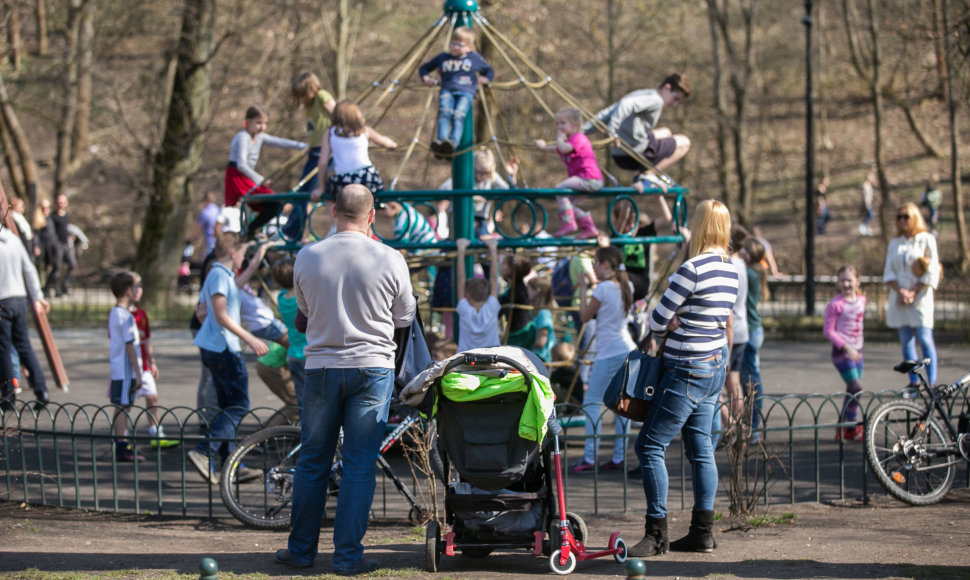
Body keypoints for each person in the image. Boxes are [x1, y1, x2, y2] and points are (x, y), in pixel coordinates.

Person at [276, 184, 415, 574]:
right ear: (372, 215)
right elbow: (404, 317)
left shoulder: (307, 256)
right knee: (358, 465)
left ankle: (301, 551)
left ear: (333, 211)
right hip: (373, 367)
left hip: (320, 366)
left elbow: (303, 314)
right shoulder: (390, 259)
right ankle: (348, 557)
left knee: (312, 461)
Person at [632, 199, 737, 557]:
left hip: (685, 368)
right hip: (713, 366)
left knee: (648, 445)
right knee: (701, 449)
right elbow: (719, 318)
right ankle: (702, 532)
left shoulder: (691, 269)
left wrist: (673, 321)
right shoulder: (731, 270)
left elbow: (657, 320)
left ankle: (656, 533)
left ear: (699, 227)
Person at [187, 232, 269, 485]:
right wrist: (251, 338)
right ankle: (204, 452)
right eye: (242, 253)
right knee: (239, 406)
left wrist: (260, 253)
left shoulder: (218, 275)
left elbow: (207, 308)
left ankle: (232, 465)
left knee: (227, 407)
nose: (244, 258)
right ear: (233, 253)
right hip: (224, 349)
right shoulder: (219, 276)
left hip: (215, 347)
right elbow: (221, 315)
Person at [571, 246, 637, 474]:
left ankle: (589, 457)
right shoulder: (626, 285)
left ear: (607, 264)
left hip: (609, 352)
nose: (594, 267)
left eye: (597, 262)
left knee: (591, 403)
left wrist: (582, 289)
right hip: (627, 348)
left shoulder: (603, 289)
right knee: (622, 404)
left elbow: (584, 316)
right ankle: (618, 457)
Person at [583, 73, 692, 179]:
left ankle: (648, 174)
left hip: (618, 154)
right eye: (675, 98)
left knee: (665, 131)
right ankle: (648, 176)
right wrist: (611, 131)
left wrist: (581, 131)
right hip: (633, 154)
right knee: (685, 142)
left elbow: (607, 113)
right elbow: (625, 105)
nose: (675, 104)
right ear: (667, 87)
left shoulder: (644, 94)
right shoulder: (656, 100)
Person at [0, 188, 51, 410]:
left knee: (3, 349)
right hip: (19, 299)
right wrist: (37, 296)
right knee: (24, 346)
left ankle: (8, 396)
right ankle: (41, 389)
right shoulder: (12, 239)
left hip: (1, 301)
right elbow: (29, 269)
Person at [223, 104, 307, 237]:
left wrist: (305, 147)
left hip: (247, 176)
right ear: (248, 121)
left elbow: (280, 142)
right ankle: (249, 230)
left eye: (265, 124)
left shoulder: (259, 137)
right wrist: (261, 180)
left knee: (275, 204)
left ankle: (250, 230)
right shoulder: (243, 137)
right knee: (273, 202)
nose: (262, 127)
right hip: (238, 177)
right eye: (258, 123)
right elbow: (241, 165)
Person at [883, 202, 940, 392]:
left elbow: (932, 270)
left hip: (920, 296)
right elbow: (889, 271)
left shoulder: (926, 239)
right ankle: (914, 381)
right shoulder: (895, 242)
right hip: (900, 296)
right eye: (899, 217)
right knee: (906, 341)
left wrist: (915, 291)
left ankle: (930, 382)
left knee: (924, 339)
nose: (902, 221)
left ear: (914, 217)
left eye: (906, 217)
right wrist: (900, 291)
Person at [419, 26, 494, 156]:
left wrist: (485, 79)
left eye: (460, 45)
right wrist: (426, 79)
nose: (455, 47)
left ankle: (453, 142)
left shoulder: (473, 58)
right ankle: (441, 141)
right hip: (447, 90)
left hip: (466, 91)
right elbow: (424, 68)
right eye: (453, 43)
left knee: (458, 114)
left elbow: (489, 70)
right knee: (444, 113)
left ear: (469, 47)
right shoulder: (443, 57)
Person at [309, 100, 397, 203]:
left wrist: (322, 188)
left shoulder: (330, 133)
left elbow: (323, 162)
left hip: (342, 179)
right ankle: (372, 214)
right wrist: (393, 145)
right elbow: (386, 142)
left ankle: (335, 219)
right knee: (370, 201)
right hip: (366, 176)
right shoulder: (364, 130)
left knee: (331, 198)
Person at [535, 108, 604, 238]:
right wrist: (543, 147)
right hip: (586, 180)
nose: (559, 127)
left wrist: (559, 139)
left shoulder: (579, 138)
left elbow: (564, 148)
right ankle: (590, 228)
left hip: (588, 178)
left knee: (560, 190)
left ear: (575, 124)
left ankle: (569, 225)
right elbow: (556, 149)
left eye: (562, 123)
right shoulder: (570, 141)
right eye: (557, 124)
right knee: (569, 205)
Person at [284, 72, 337, 240]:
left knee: (306, 190)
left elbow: (337, 114)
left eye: (302, 96)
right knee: (302, 191)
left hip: (324, 151)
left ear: (312, 89)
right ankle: (294, 230)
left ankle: (291, 231)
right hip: (314, 151)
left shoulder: (322, 96)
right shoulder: (309, 105)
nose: (300, 101)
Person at [127, 273, 178, 447]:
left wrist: (152, 361)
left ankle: (156, 434)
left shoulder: (141, 314)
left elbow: (146, 340)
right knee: (126, 403)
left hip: (144, 365)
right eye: (135, 287)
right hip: (128, 366)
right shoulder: (121, 315)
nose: (138, 290)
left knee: (152, 397)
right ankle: (122, 437)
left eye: (140, 286)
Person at [106, 272, 146, 461]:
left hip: (119, 368)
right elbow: (130, 346)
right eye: (137, 287)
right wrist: (138, 374)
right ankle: (121, 445)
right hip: (125, 370)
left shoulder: (115, 313)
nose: (139, 290)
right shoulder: (126, 317)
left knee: (124, 405)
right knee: (123, 406)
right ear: (129, 291)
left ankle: (122, 441)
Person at [824, 265, 866, 442]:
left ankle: (844, 429)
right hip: (842, 353)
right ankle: (851, 424)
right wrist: (846, 346)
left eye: (849, 280)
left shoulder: (861, 300)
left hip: (858, 353)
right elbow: (828, 331)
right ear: (837, 282)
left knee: (852, 391)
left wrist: (856, 347)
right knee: (857, 387)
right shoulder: (836, 305)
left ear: (857, 281)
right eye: (842, 280)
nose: (846, 284)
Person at [717, 224, 749, 447]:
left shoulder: (728, 265)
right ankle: (738, 425)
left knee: (719, 386)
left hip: (731, 328)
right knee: (734, 382)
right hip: (741, 326)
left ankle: (733, 425)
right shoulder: (741, 264)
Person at [740, 236, 767, 444]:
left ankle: (754, 425)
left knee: (751, 380)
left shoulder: (747, 273)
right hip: (754, 329)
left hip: (749, 331)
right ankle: (750, 423)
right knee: (748, 376)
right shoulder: (756, 272)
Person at [272, 257, 307, 413]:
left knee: (302, 400)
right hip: (308, 353)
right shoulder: (301, 299)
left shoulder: (282, 299)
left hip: (293, 354)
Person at [454, 237, 500, 352]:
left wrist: (461, 250)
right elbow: (494, 278)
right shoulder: (491, 307)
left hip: (467, 360)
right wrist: (493, 249)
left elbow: (460, 279)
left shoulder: (465, 309)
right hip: (492, 357)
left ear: (467, 295)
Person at [499, 252, 535, 348]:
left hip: (520, 332)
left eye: (503, 263)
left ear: (511, 269)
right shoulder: (514, 286)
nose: (500, 266)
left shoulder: (516, 290)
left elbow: (500, 306)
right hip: (521, 328)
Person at [45, 194, 76, 297]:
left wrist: (70, 236)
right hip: (58, 245)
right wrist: (55, 245)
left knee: (73, 264)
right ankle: (53, 288)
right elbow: (51, 232)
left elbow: (65, 228)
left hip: (67, 244)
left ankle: (65, 283)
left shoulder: (66, 215)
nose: (60, 204)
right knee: (57, 267)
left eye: (62, 202)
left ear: (66, 203)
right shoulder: (52, 216)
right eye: (59, 202)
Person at [526, 276, 558, 363]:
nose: (526, 292)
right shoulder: (534, 311)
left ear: (537, 291)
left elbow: (541, 341)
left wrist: (521, 344)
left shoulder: (543, 313)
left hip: (541, 358)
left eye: (528, 289)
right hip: (535, 355)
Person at [858, 171, 876, 237]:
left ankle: (865, 227)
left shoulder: (869, 185)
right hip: (867, 203)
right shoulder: (866, 185)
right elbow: (866, 195)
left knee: (869, 215)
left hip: (869, 202)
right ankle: (863, 226)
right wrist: (867, 203)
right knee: (870, 214)